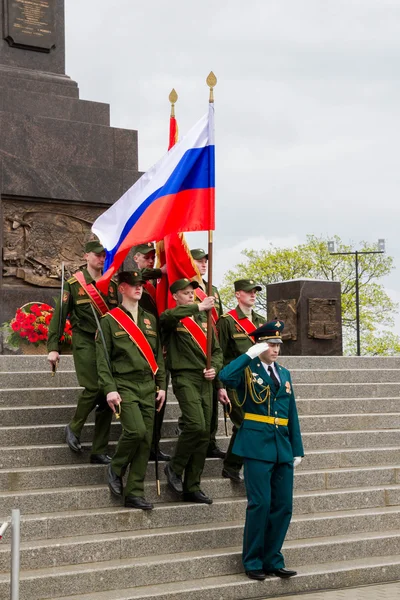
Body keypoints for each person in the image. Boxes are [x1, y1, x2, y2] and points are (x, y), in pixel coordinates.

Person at [219, 320, 304, 581]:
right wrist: (247, 355)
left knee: (283, 506)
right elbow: (225, 377)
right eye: (270, 344)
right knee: (260, 504)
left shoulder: (285, 373)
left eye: (278, 344)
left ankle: (273, 558)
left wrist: (297, 448)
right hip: (256, 445)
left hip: (282, 447)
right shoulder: (247, 370)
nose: (275, 348)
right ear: (259, 345)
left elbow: (292, 413)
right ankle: (253, 560)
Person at [95, 271, 166, 510]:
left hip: (148, 385)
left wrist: (163, 385)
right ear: (121, 288)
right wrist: (109, 389)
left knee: (146, 440)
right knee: (135, 431)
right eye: (134, 285)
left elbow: (158, 356)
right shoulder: (109, 320)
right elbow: (103, 360)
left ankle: (134, 491)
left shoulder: (149, 319)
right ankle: (116, 466)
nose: (139, 288)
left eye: (141, 285)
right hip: (124, 384)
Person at [47, 240, 118, 464]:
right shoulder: (73, 284)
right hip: (85, 340)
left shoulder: (112, 285)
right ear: (86, 256)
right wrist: (53, 348)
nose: (100, 259)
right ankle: (74, 425)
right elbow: (60, 316)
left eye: (103, 255)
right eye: (96, 255)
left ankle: (99, 449)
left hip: (107, 343)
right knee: (95, 386)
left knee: (109, 392)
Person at [160, 278, 223, 504]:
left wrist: (214, 368)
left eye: (192, 293)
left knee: (205, 433)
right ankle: (174, 467)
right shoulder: (173, 317)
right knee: (195, 424)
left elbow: (216, 350)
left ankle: (192, 485)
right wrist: (198, 306)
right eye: (185, 293)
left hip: (205, 379)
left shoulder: (204, 320)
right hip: (184, 375)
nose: (190, 296)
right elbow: (166, 318)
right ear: (176, 296)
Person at [216, 279, 266, 482]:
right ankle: (232, 465)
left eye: (255, 292)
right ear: (238, 294)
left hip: (256, 382)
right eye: (248, 292)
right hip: (235, 381)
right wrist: (220, 386)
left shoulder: (261, 321)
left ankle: (237, 464)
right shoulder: (227, 321)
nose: (253, 295)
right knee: (245, 423)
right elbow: (219, 354)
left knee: (251, 424)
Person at [132, 242, 170, 462]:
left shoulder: (158, 283)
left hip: (158, 345)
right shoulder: (134, 280)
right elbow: (141, 274)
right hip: (140, 347)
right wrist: (160, 270)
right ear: (136, 258)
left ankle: (154, 445)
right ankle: (143, 445)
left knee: (159, 399)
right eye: (146, 257)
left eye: (152, 257)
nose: (150, 260)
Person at [190, 248, 225, 460]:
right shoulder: (189, 289)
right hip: (195, 342)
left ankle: (211, 440)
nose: (203, 265)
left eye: (205, 261)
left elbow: (218, 318)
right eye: (199, 261)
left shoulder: (213, 289)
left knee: (213, 397)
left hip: (212, 343)